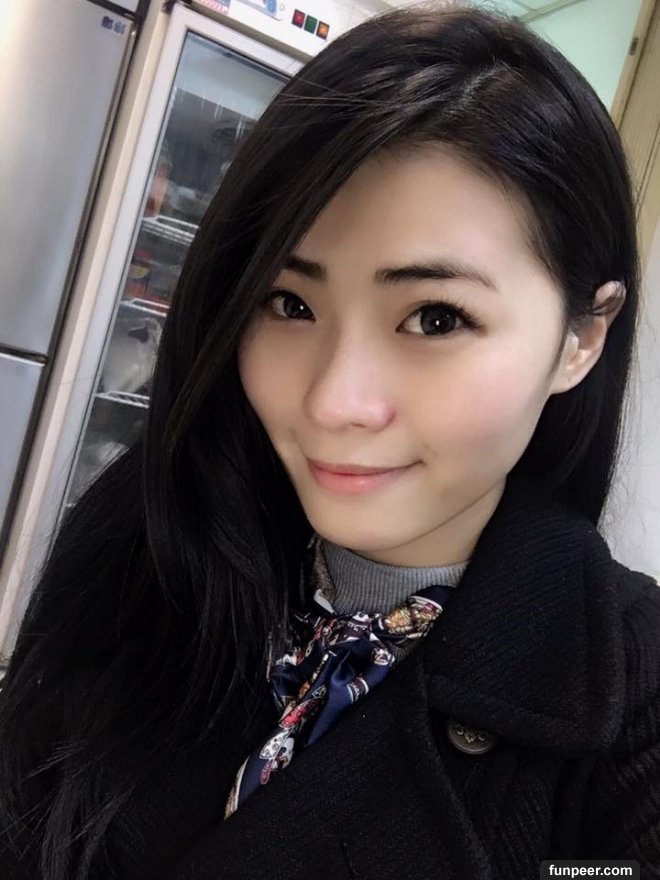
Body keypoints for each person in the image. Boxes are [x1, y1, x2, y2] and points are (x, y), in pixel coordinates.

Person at [1, 3, 659, 878]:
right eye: (289, 303)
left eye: (436, 317)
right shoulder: (145, 536)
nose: (334, 402)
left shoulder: (634, 691)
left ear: (581, 338)